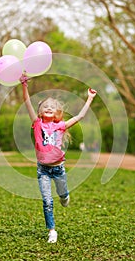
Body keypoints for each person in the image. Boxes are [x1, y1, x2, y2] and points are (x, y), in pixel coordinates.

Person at [20, 74, 97, 243]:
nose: (49, 108)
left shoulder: (60, 126)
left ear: (57, 112)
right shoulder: (37, 123)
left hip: (58, 168)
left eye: (52, 107)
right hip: (43, 170)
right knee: (47, 201)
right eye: (45, 106)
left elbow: (80, 117)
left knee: (62, 195)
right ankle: (52, 231)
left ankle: (64, 195)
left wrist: (90, 98)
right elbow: (27, 102)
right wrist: (24, 86)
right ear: (40, 111)